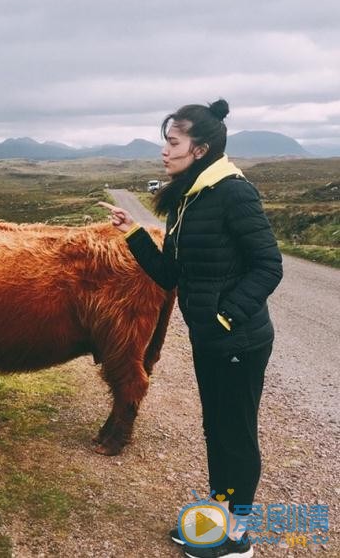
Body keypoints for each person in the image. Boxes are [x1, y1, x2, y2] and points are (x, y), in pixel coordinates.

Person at [99, 99, 283, 558]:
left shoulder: (234, 192)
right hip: (211, 339)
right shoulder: (192, 195)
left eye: (173, 141)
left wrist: (226, 316)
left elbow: (268, 266)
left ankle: (238, 537)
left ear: (199, 149)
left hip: (237, 339)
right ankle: (221, 518)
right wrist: (135, 233)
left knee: (235, 434)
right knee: (216, 429)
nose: (165, 150)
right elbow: (170, 273)